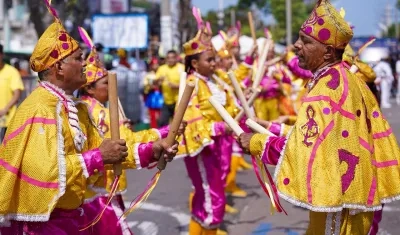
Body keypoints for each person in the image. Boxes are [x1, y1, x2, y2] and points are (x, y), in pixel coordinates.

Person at [0, 2, 178, 234]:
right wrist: (98, 156)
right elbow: (43, 173)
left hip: (74, 216)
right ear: (59, 67)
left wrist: (152, 150)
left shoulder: (75, 108)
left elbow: (108, 150)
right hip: (42, 223)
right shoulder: (40, 108)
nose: (85, 64)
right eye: (78, 58)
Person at [238, 0, 400, 233]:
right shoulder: (344, 78)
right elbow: (326, 136)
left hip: (338, 204)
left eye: (305, 41)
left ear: (327, 51)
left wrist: (256, 143)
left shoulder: (327, 88)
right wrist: (275, 129)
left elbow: (308, 149)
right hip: (351, 196)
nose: (295, 45)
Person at [77, 29, 185, 234]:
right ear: (90, 89)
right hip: (101, 190)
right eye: (105, 83)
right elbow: (127, 142)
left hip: (94, 189)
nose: (110, 88)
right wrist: (164, 132)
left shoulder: (89, 108)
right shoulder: (97, 112)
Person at [0, 44, 24, 143]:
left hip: (6, 120)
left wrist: (5, 109)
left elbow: (17, 93)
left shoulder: (11, 72)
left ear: (1, 55)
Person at [156, 50, 185, 127]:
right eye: (168, 58)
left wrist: (176, 86)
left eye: (172, 57)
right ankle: (163, 139)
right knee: (162, 123)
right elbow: (155, 83)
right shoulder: (161, 68)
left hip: (179, 102)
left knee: (178, 124)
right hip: (167, 101)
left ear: (176, 58)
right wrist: (158, 81)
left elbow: (189, 83)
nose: (170, 60)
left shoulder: (182, 68)